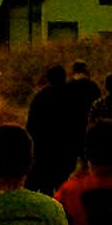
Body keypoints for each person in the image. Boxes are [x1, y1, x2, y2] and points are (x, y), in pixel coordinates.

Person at [26, 64, 78, 195]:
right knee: (63, 186)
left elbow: (31, 126)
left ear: (48, 79)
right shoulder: (72, 96)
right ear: (64, 77)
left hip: (44, 151)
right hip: (66, 150)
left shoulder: (40, 98)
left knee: (46, 188)